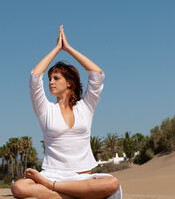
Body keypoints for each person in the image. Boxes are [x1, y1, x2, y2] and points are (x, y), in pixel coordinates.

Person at [11, 25, 122, 199]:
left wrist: (68, 49)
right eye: (49, 79)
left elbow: (97, 74)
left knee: (112, 183)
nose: (51, 83)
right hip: (52, 174)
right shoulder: (45, 110)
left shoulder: (86, 107)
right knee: (19, 187)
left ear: (69, 82)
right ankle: (74, 195)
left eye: (56, 78)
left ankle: (53, 190)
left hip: (81, 177)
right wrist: (56, 49)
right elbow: (34, 77)